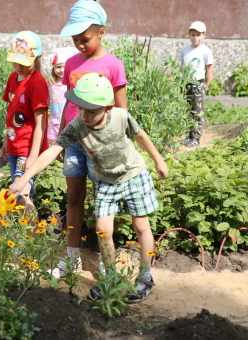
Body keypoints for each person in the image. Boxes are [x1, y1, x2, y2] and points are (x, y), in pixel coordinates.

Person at [11, 73, 168, 302]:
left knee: (141, 225)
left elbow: (141, 136)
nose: (85, 115)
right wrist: (25, 178)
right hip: (106, 181)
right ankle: (110, 279)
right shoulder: (77, 126)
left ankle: (145, 276)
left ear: (106, 107)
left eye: (92, 111)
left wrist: (158, 160)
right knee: (103, 229)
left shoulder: (120, 117)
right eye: (81, 109)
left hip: (133, 175)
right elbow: (53, 151)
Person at [53, 0, 128, 278]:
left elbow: (121, 110)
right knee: (73, 198)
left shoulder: (113, 65)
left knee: (103, 203)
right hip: (74, 142)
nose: (79, 45)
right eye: (75, 39)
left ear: (101, 32)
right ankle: (72, 258)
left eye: (84, 39)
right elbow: (68, 104)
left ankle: (107, 264)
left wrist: (116, 144)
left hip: (101, 145)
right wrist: (62, 137)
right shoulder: (71, 63)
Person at [3, 31, 49, 208]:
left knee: (20, 188)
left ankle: (25, 226)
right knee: (18, 184)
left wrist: (33, 155)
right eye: (16, 62)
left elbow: (41, 123)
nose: (19, 66)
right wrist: (5, 140)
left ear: (36, 58)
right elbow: (10, 111)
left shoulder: (37, 82)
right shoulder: (13, 78)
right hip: (14, 144)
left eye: (23, 63)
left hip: (27, 148)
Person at [180, 20, 214, 147]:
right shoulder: (185, 50)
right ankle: (189, 136)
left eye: (198, 35)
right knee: (188, 111)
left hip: (198, 84)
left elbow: (209, 69)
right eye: (192, 34)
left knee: (197, 111)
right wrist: (180, 82)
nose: (195, 37)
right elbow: (182, 68)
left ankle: (196, 138)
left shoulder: (205, 51)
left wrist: (206, 84)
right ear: (189, 35)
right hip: (186, 83)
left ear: (203, 35)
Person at [47, 47, 79, 144]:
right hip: (54, 123)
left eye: (65, 66)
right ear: (53, 67)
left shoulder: (73, 84)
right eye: (58, 67)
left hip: (68, 121)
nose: (62, 70)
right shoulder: (51, 83)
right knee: (54, 145)